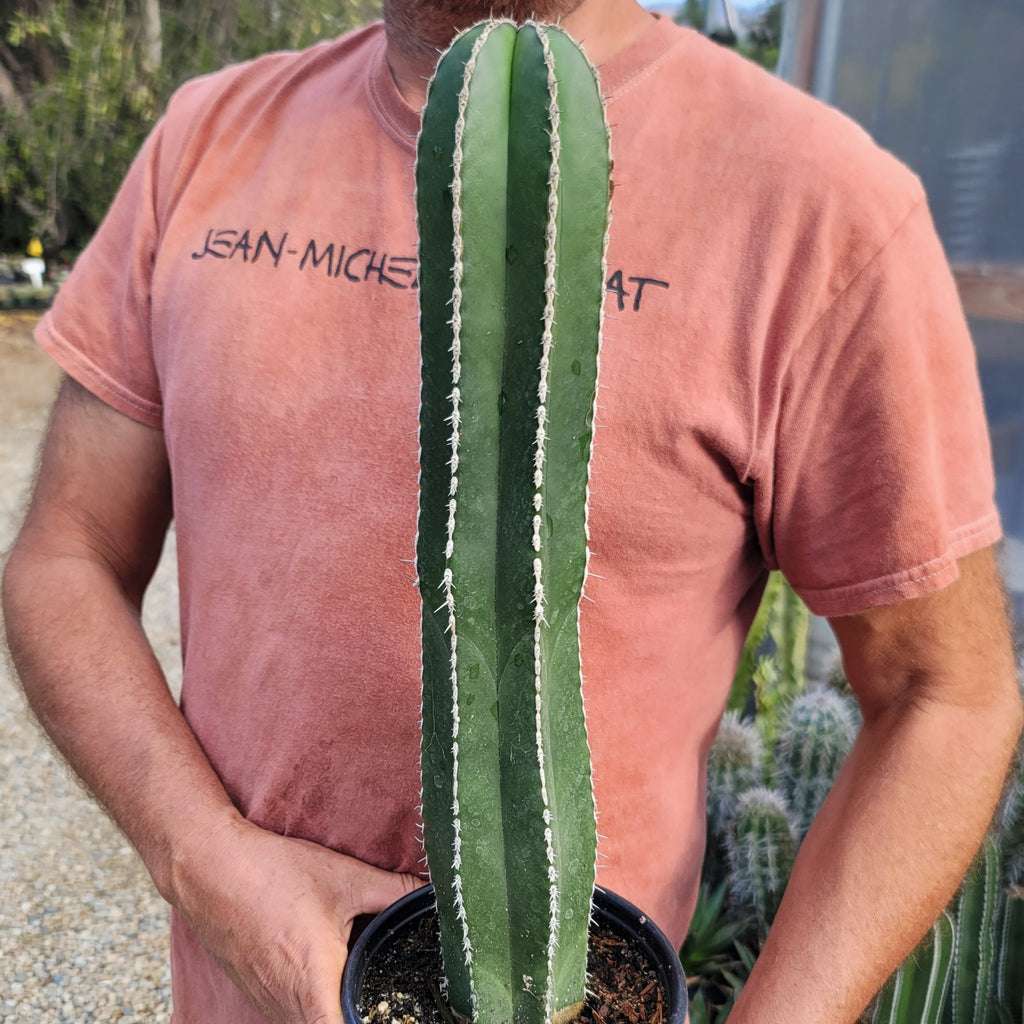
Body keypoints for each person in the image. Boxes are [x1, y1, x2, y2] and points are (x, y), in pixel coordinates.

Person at [2, 0, 1020, 1021]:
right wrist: (207, 865)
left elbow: (948, 694)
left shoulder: (822, 205)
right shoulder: (202, 139)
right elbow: (66, 554)